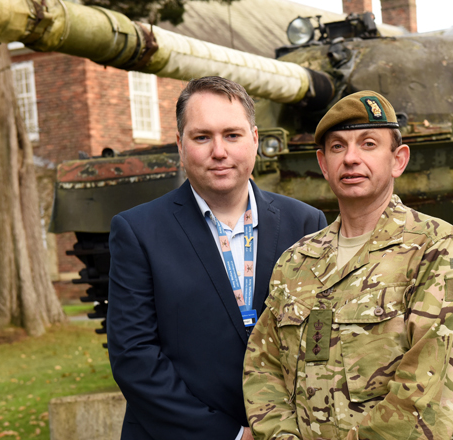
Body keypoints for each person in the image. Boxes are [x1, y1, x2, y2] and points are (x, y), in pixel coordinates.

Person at [242, 91, 453, 440]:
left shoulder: (434, 248)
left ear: (398, 159)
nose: (351, 158)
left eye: (368, 143)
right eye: (338, 147)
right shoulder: (296, 261)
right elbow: (263, 368)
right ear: (323, 164)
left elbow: (427, 395)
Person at [107, 76, 327, 440]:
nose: (219, 151)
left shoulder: (305, 223)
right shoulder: (138, 232)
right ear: (180, 145)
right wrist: (232, 435)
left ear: (255, 139)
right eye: (202, 137)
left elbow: (319, 337)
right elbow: (134, 357)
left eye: (232, 135)